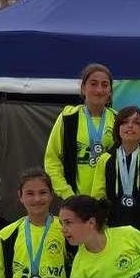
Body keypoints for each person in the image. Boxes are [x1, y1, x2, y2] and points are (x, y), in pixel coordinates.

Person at [91, 106, 140, 244]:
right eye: (124, 122)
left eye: (136, 123)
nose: (130, 126)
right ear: (118, 128)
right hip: (114, 231)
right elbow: (98, 197)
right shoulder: (105, 159)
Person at [45, 63, 116, 199]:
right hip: (74, 201)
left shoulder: (117, 120)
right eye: (93, 84)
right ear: (83, 88)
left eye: (105, 85)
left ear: (110, 91)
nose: (99, 90)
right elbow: (52, 160)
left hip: (108, 202)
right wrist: (67, 194)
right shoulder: (68, 118)